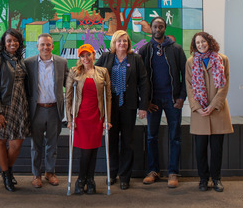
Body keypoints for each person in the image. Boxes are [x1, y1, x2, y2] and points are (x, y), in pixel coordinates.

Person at [96, 30, 149, 190]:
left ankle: (125, 176)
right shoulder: (106, 57)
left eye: (125, 41)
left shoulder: (136, 58)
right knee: (111, 141)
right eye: (119, 41)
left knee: (128, 142)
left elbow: (144, 83)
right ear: (114, 43)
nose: (122, 44)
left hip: (129, 105)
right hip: (110, 106)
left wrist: (143, 106)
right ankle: (112, 174)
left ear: (128, 43)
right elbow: (94, 76)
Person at [139, 17, 187, 188]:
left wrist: (181, 97)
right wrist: (145, 102)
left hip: (172, 100)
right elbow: (140, 79)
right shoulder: (145, 50)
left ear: (165, 28)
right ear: (150, 28)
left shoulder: (176, 49)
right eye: (155, 26)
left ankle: (173, 172)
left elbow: (185, 75)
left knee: (175, 137)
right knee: (151, 137)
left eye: (160, 26)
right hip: (153, 101)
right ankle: (153, 171)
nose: (157, 29)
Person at [0, 28, 30, 192]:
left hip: (19, 105)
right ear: (4, 43)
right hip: (2, 105)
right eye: (9, 40)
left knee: (16, 143)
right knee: (1, 140)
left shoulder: (20, 60)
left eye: (15, 40)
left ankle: (7, 170)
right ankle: (6, 174)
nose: (13, 43)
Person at [186, 32, 233, 192]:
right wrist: (198, 107)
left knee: (217, 149)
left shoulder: (222, 59)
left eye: (203, 42)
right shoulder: (191, 62)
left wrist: (213, 105)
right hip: (200, 113)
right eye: (197, 43)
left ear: (209, 42)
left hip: (218, 111)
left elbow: (224, 85)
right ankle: (203, 179)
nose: (201, 45)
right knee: (200, 150)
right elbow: (189, 87)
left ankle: (217, 179)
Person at [65, 44, 111, 195]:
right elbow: (68, 97)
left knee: (93, 149)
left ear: (93, 55)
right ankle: (81, 179)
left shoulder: (102, 72)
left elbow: (108, 97)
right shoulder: (74, 72)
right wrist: (70, 119)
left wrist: (107, 119)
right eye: (82, 56)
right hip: (81, 117)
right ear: (79, 58)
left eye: (88, 55)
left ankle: (90, 180)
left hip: (97, 116)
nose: (86, 58)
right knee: (85, 151)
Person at [25, 33, 69, 188]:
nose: (45, 47)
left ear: (52, 46)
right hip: (36, 110)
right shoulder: (28, 63)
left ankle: (50, 172)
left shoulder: (61, 63)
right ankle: (36, 174)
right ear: (37, 47)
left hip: (54, 109)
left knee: (52, 144)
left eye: (48, 44)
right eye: (42, 44)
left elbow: (68, 85)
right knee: (35, 145)